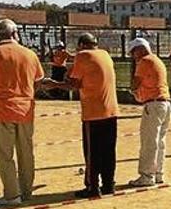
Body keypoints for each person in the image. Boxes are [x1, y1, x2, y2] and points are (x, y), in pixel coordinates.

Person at [0, 19, 45, 205]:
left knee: (2, 154)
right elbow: (38, 81)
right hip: (26, 110)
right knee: (26, 152)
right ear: (16, 33)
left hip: (1, 110)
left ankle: (12, 194)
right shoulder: (30, 54)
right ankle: (26, 191)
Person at [45, 33, 119, 197]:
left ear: (81, 45)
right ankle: (109, 184)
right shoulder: (104, 54)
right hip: (111, 110)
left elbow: (74, 84)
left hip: (94, 112)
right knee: (108, 151)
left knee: (92, 152)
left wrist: (54, 83)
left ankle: (92, 187)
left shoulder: (83, 56)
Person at [127, 38, 171, 187]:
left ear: (140, 49)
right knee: (160, 141)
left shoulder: (144, 61)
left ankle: (147, 175)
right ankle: (158, 173)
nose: (134, 57)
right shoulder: (157, 60)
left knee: (149, 141)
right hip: (164, 103)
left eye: (133, 52)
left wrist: (133, 91)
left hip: (152, 104)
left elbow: (136, 82)